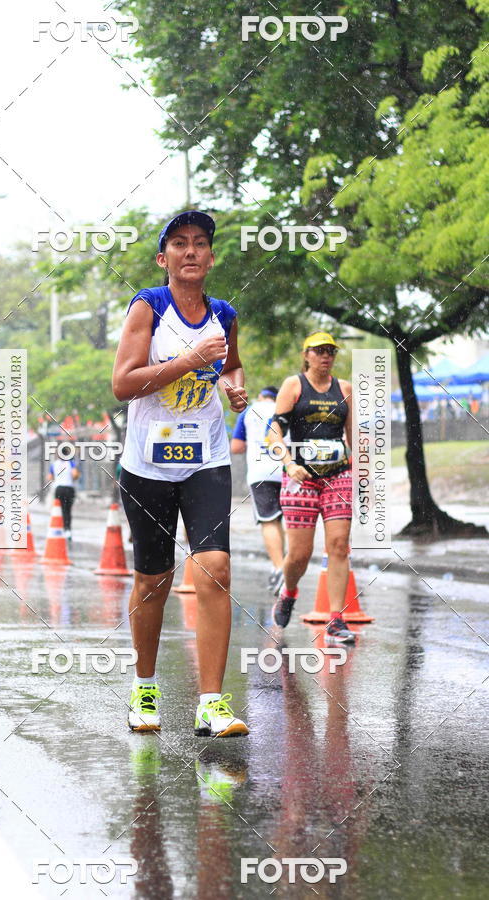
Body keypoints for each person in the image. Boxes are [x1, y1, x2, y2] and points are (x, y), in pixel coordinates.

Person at [112, 210, 249, 737]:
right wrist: (190, 359)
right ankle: (145, 688)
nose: (190, 251)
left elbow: (230, 363)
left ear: (211, 257)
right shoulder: (148, 307)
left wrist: (232, 386)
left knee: (215, 566)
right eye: (179, 244)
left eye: (200, 244)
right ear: (162, 258)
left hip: (207, 459)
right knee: (154, 578)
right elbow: (123, 384)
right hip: (147, 463)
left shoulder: (225, 313)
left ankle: (211, 702)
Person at [267, 332, 356, 644]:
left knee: (338, 545)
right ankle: (289, 591)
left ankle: (335, 619)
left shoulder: (344, 389)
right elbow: (274, 431)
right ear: (306, 355)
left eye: (330, 351)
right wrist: (290, 463)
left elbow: (353, 436)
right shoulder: (294, 386)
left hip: (337, 475)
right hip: (300, 477)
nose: (325, 356)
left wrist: (361, 471)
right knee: (300, 555)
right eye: (319, 351)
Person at [231, 386, 285, 592]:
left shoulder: (249, 410)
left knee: (268, 521)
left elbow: (236, 447)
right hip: (287, 469)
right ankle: (283, 564)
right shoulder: (285, 407)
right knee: (283, 519)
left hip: (260, 472)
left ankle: (279, 567)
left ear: (261, 396)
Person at [47, 446, 79, 539]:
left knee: (58, 510)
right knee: (67, 510)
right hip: (69, 488)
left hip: (59, 489)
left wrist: (56, 479)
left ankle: (57, 529)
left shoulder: (54, 464)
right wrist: (74, 478)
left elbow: (49, 477)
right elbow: (75, 474)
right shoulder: (70, 463)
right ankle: (67, 530)